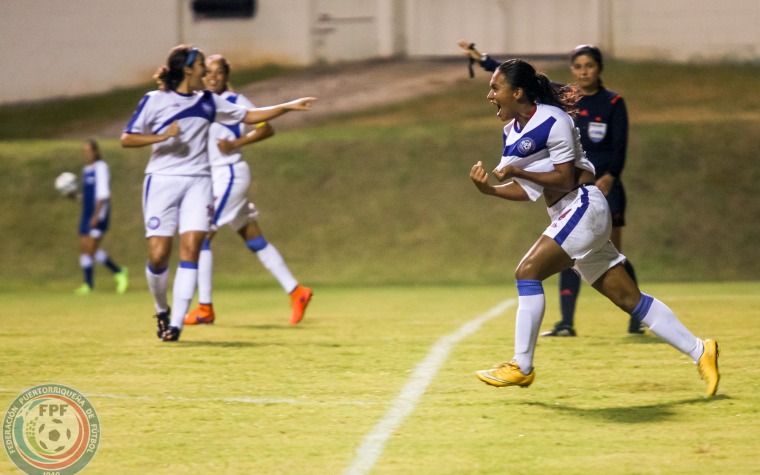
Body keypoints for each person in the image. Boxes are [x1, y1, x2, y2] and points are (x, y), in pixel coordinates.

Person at [468, 58, 719, 396]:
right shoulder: (510, 133)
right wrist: (489, 190)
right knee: (629, 298)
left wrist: (518, 171)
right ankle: (700, 350)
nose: (490, 95)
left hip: (585, 205)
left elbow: (564, 177)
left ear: (518, 92)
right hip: (568, 214)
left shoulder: (553, 120)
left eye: (495, 88)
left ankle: (521, 367)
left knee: (527, 272)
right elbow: (528, 191)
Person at [121, 44, 316, 342]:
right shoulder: (155, 100)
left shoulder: (211, 102)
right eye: (202, 65)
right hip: (162, 182)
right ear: (188, 69)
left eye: (213, 69)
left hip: (202, 182)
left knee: (193, 248)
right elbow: (127, 138)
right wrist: (161, 136)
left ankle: (178, 323)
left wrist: (288, 105)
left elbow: (251, 116)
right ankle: (162, 310)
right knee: (159, 256)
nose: (206, 72)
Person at [457, 40, 642, 336]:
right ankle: (567, 322)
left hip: (600, 188)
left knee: (607, 254)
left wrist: (609, 178)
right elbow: (518, 81)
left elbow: (619, 147)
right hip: (568, 190)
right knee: (574, 255)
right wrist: (483, 59)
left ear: (600, 69)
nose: (583, 72)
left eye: (589, 66)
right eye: (578, 67)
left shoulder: (611, 103)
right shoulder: (565, 98)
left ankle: (635, 317)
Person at [183, 54, 312, 327]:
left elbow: (266, 129)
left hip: (229, 174)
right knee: (253, 238)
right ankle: (297, 292)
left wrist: (237, 143)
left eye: (218, 73)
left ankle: (205, 307)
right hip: (215, 178)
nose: (213, 77)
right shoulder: (203, 102)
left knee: (202, 235)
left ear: (226, 76)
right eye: (208, 72)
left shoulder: (235, 102)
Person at [75, 139, 129, 295]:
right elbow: (87, 196)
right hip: (86, 212)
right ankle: (88, 284)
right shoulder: (86, 169)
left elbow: (103, 194)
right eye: (84, 151)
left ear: (96, 152)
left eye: (89, 151)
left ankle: (119, 271)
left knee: (91, 247)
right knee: (84, 248)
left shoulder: (101, 167)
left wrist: (96, 215)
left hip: (98, 213)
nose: (86, 154)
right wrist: (74, 196)